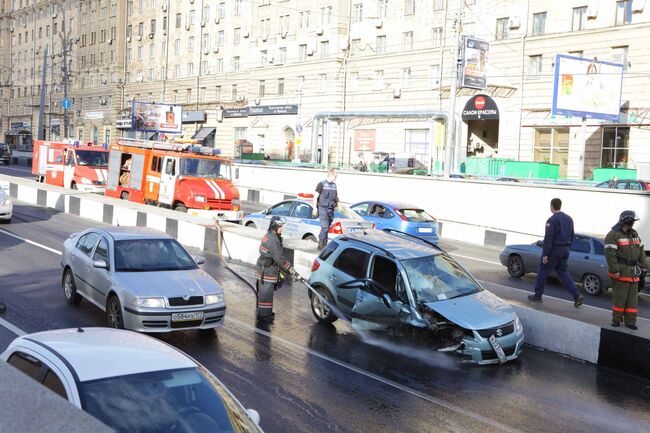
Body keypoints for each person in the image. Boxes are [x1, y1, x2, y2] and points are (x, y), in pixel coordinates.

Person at [528, 198, 584, 307]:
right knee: (563, 273)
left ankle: (537, 297)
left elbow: (549, 238)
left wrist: (545, 255)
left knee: (542, 273)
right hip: (565, 249)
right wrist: (568, 247)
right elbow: (572, 235)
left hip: (554, 250)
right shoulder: (569, 219)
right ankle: (576, 295)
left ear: (552, 206)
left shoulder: (551, 220)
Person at [604, 211, 648, 330]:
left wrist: (644, 266)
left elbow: (641, 251)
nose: (633, 224)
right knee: (620, 298)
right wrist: (615, 270)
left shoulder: (634, 234)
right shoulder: (613, 235)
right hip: (621, 272)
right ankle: (616, 320)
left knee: (632, 301)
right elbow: (610, 254)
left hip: (633, 273)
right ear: (626, 221)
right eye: (631, 222)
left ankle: (630, 322)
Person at [255, 216, 298, 322]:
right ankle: (264, 315)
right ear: (274, 226)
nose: (282, 229)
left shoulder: (270, 235)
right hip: (267, 269)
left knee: (266, 292)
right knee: (266, 293)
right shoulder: (273, 240)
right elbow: (279, 259)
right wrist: (291, 270)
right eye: (280, 226)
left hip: (265, 267)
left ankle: (264, 312)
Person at [313, 169, 339, 250]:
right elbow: (315, 196)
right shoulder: (321, 184)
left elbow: (336, 196)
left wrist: (339, 205)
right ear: (331, 175)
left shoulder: (334, 185)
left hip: (331, 209)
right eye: (335, 176)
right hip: (323, 208)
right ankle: (321, 245)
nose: (336, 177)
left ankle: (325, 244)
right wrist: (314, 208)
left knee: (327, 227)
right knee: (325, 227)